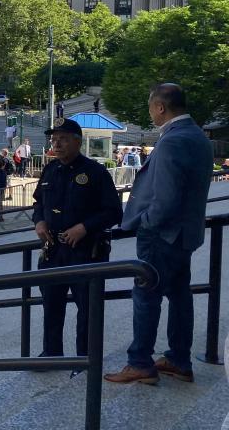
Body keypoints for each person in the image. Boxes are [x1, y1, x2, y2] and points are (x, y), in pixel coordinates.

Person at [105, 84, 214, 385]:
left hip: (162, 234)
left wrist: (147, 223)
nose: (150, 112)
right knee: (180, 295)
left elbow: (165, 198)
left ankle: (140, 362)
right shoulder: (198, 138)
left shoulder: (172, 141)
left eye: (151, 106)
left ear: (161, 108)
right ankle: (179, 359)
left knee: (145, 295)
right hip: (185, 235)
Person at [32, 118, 122, 358]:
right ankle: (51, 355)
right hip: (53, 251)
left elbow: (113, 211)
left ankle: (85, 360)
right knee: (51, 305)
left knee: (88, 310)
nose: (57, 143)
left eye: (62, 139)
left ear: (77, 142)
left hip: (85, 251)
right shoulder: (51, 169)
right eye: (54, 139)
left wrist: (84, 227)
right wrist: (39, 221)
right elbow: (38, 202)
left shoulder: (95, 172)